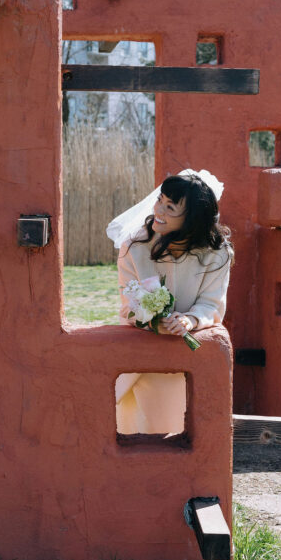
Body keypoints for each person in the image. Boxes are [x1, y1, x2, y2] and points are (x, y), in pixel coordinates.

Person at [107, 169, 232, 436]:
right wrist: (151, 320)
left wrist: (191, 320)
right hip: (140, 357)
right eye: (160, 200)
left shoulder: (217, 254)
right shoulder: (134, 246)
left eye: (170, 207)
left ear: (192, 219)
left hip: (186, 359)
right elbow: (127, 306)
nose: (158, 210)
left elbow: (212, 304)